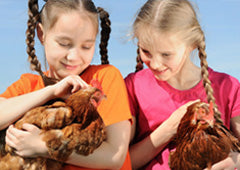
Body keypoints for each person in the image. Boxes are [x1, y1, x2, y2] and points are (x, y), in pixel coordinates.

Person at [0, 0, 132, 169]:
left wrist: (43, 146)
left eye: (86, 46)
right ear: (41, 34)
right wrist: (52, 92)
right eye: (64, 44)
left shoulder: (105, 77)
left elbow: (115, 157)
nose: (74, 57)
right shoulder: (29, 86)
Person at [124, 0, 240, 169]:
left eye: (166, 54)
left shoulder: (228, 87)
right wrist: (168, 129)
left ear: (192, 45)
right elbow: (122, 162)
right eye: (146, 51)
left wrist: (235, 160)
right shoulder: (133, 86)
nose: (155, 63)